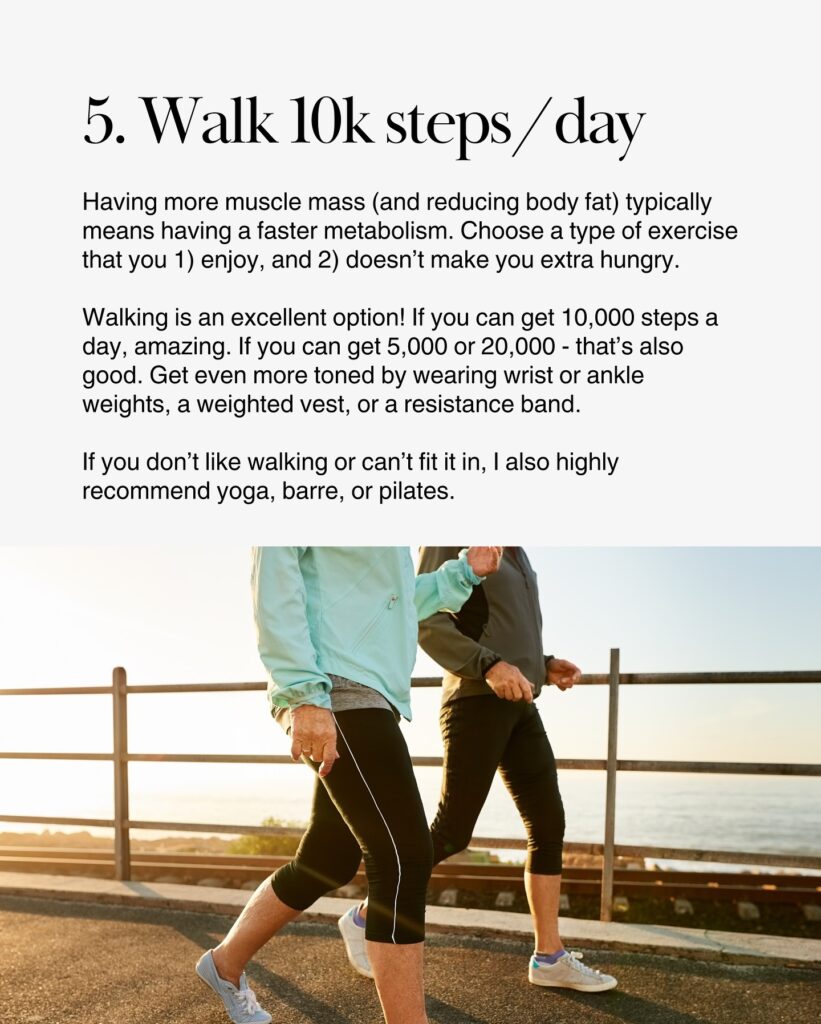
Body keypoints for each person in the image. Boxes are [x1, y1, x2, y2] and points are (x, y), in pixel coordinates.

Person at [196, 545, 503, 1024]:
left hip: (370, 693)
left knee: (327, 858)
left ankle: (223, 965)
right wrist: (303, 695)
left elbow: (393, 600)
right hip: (332, 688)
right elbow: (275, 580)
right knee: (404, 856)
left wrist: (463, 572)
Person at [338, 546, 617, 993]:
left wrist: (541, 666)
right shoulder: (451, 535)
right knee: (452, 831)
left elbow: (502, 625)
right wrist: (487, 665)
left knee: (548, 825)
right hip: (474, 701)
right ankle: (367, 916)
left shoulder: (519, 551)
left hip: (521, 701)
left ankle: (549, 957)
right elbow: (421, 617)